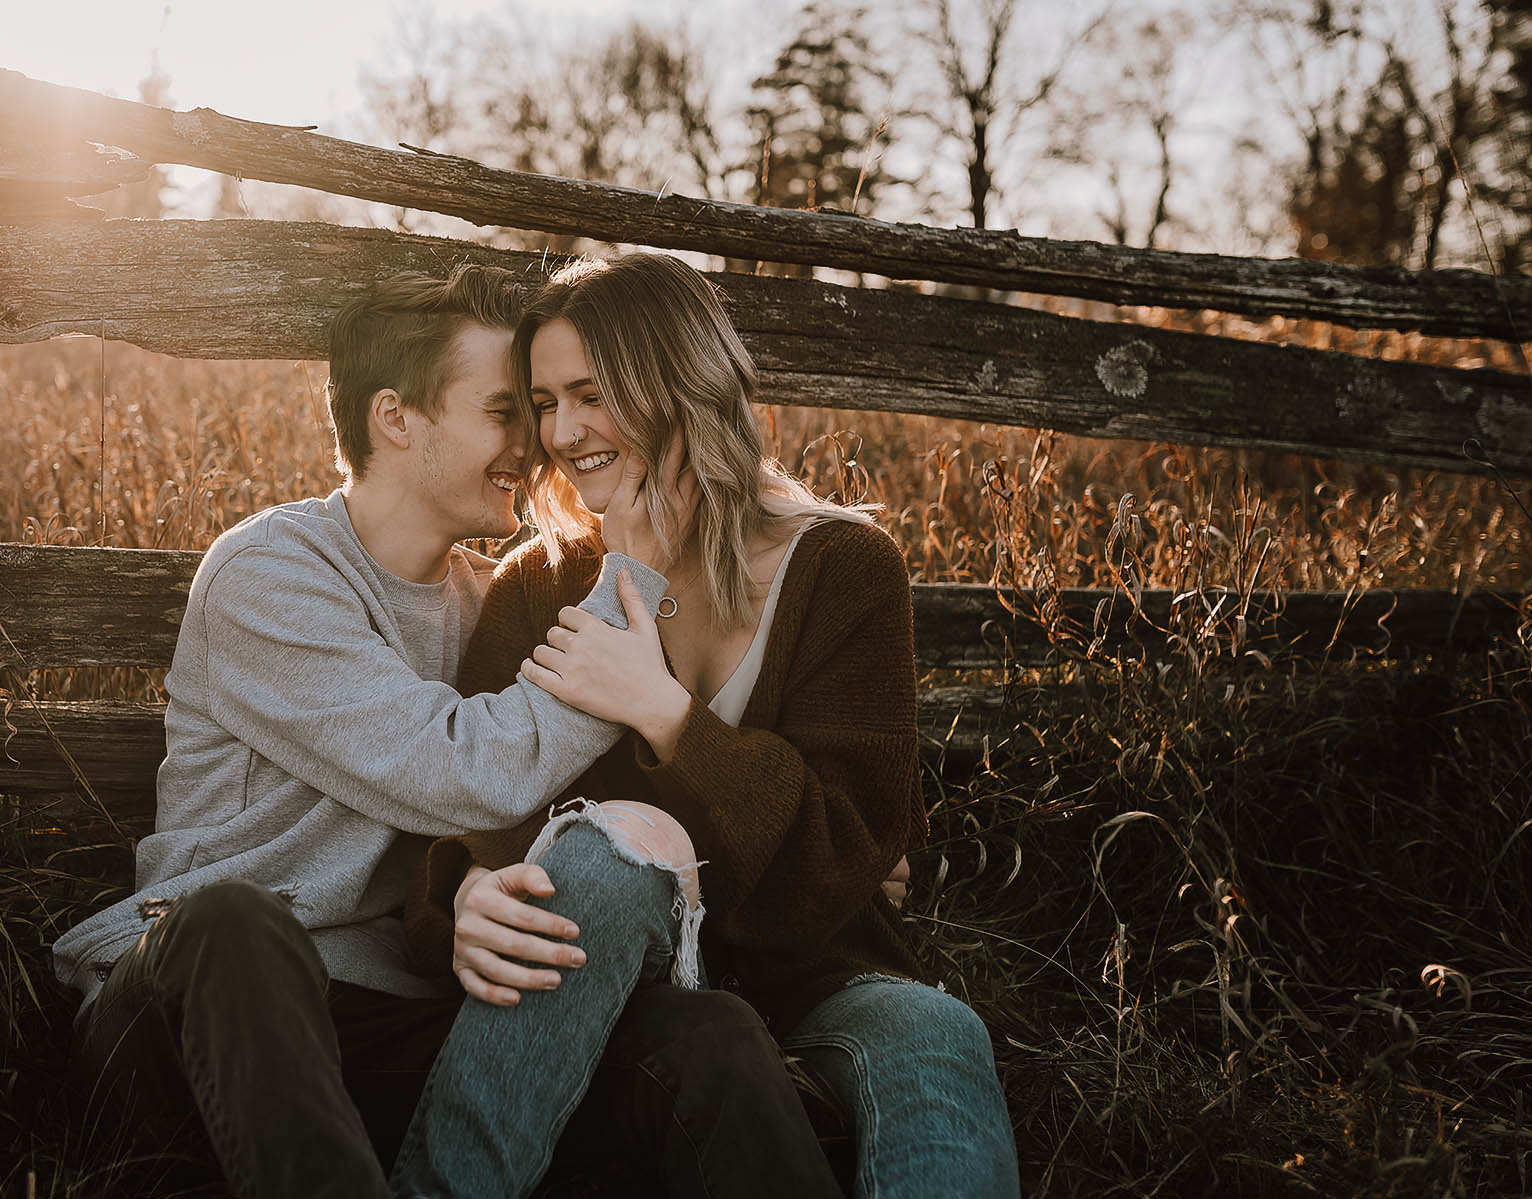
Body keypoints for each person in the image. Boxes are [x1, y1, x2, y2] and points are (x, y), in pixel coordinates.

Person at [51, 263, 840, 1198]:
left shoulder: (485, 604)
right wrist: (633, 577)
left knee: (701, 1037)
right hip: (199, 1010)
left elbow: (575, 801)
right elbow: (461, 768)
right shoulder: (270, 573)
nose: (539, 446)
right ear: (397, 417)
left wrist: (825, 820)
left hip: (391, 1021)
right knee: (235, 918)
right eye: (507, 412)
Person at [397, 253, 1021, 1198]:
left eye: (590, 393)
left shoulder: (845, 568)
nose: (562, 433)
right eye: (544, 402)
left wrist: (666, 714)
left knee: (939, 1031)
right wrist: (465, 889)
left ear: (675, 381)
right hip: (622, 991)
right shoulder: (544, 581)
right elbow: (476, 808)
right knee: (614, 856)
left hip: (821, 974)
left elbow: (847, 852)